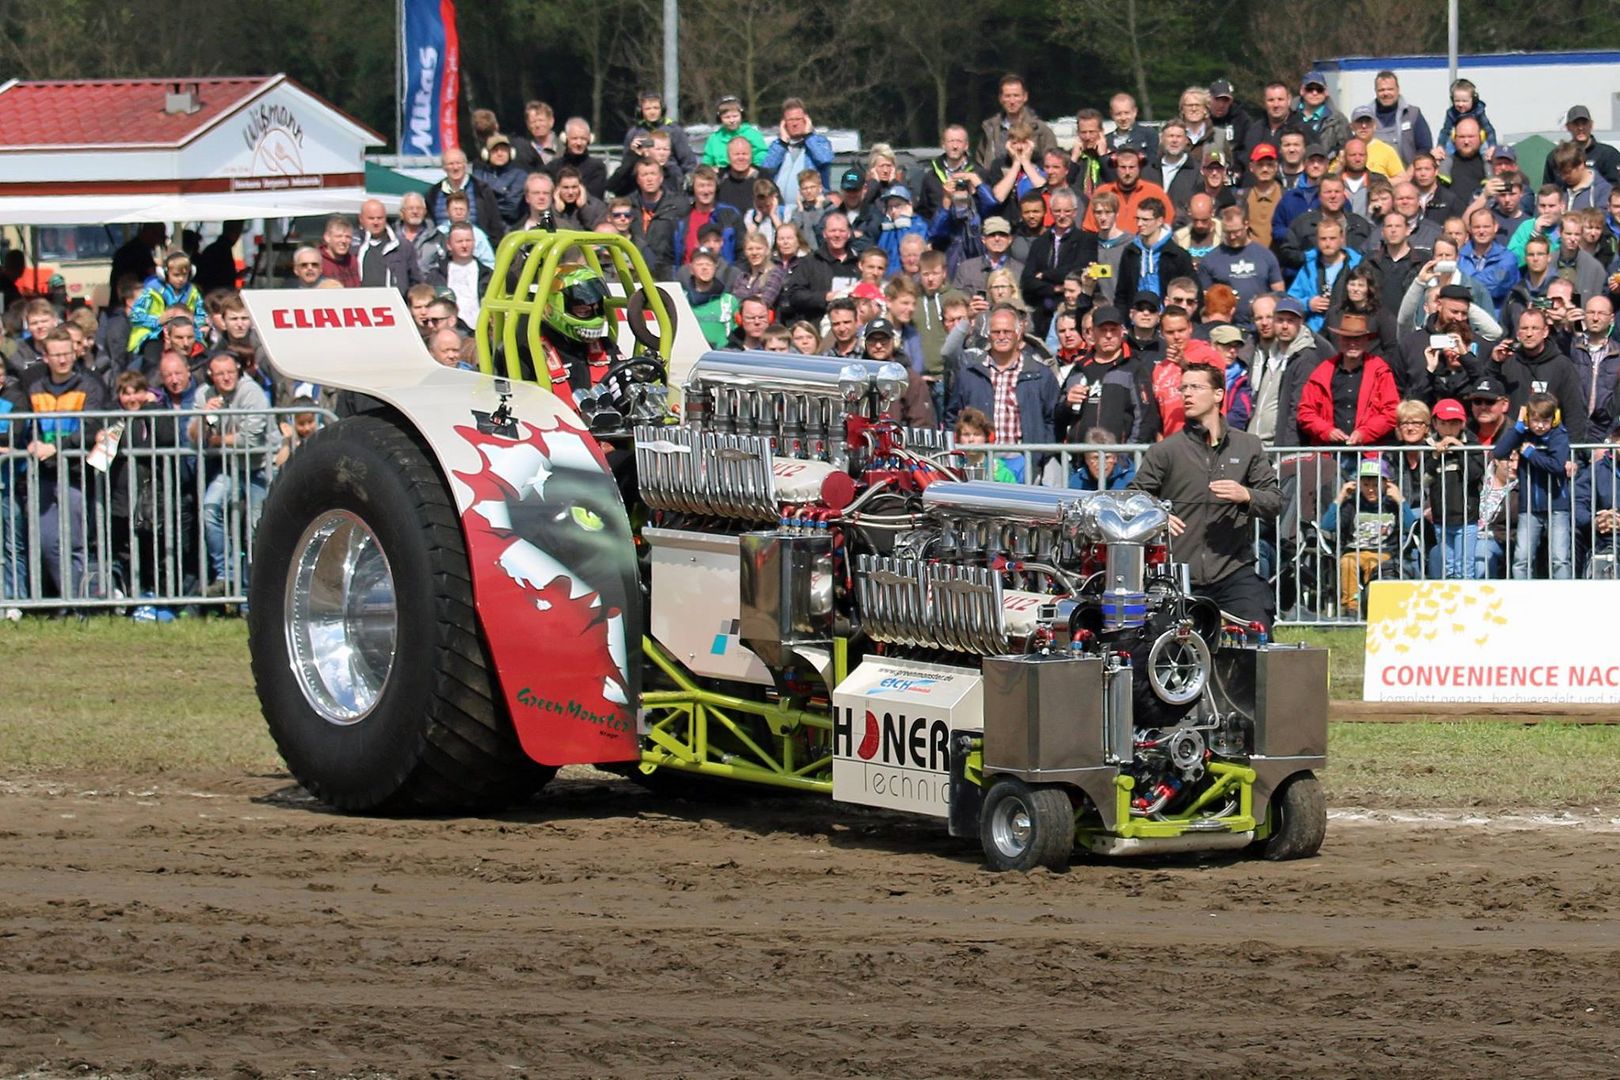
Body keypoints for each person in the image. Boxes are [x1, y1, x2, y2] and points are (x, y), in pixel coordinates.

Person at [1130, 361, 1282, 628]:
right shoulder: (1165, 451)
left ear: (1218, 395)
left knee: (1258, 632)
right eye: (1183, 387)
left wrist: (1246, 495)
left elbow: (1274, 501)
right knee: (1156, 646)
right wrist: (1157, 515)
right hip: (1177, 576)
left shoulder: (1248, 446)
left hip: (1233, 572)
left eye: (1196, 387)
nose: (1186, 394)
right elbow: (1133, 499)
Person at [22, 328, 110, 599]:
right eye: (56, 355)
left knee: (76, 542)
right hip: (45, 475)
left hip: (77, 474)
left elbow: (92, 426)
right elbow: (28, 425)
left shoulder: (90, 386)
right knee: (47, 542)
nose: (62, 360)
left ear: (75, 353)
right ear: (45, 357)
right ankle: (72, 597)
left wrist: (57, 447)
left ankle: (80, 602)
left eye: (67, 354)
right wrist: (32, 441)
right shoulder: (34, 388)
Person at [190, 352, 280, 596]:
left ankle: (256, 591)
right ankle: (226, 574)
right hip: (232, 467)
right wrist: (203, 417)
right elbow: (195, 440)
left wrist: (217, 439)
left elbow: (250, 439)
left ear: (238, 370)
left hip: (262, 467)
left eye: (230, 372)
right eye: (220, 374)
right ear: (211, 375)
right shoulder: (204, 394)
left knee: (256, 528)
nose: (226, 377)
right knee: (209, 510)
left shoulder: (251, 392)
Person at [943, 304, 1058, 443]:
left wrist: (1040, 456)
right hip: (980, 459)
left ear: (1018, 333)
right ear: (989, 335)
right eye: (996, 332)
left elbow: (1052, 419)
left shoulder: (1040, 374)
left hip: (1024, 459)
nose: (1002, 337)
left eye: (1007, 331)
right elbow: (952, 418)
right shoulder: (969, 374)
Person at [1320, 458, 1418, 616]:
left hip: (1384, 552)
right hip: (1355, 551)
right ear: (1358, 485)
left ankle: (1373, 605)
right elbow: (1327, 525)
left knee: (1376, 565)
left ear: (1386, 485)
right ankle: (1351, 607)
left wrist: (1401, 500)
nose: (1371, 490)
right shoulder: (1352, 505)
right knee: (1347, 562)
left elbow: (1411, 526)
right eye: (1366, 485)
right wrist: (1341, 498)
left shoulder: (1392, 505)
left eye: (1376, 485)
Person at [1493, 391, 1573, 579]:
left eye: (1545, 421)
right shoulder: (1525, 433)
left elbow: (1555, 465)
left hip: (1557, 506)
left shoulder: (1559, 434)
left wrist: (1531, 454)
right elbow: (1499, 451)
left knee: (1560, 558)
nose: (1539, 426)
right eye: (1535, 420)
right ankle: (1522, 597)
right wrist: (1519, 427)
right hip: (1529, 507)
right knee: (1522, 558)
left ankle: (1565, 597)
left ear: (1554, 419)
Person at [1296, 312, 1398, 448]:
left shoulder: (1380, 371)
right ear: (1339, 340)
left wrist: (1365, 433)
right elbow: (1306, 412)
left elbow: (1391, 411)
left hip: (1368, 453)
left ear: (1366, 341)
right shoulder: (1322, 372)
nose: (1352, 344)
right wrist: (1327, 431)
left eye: (1357, 339)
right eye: (1347, 339)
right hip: (1329, 453)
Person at [1425, 398, 1485, 580]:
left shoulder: (1472, 445)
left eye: (1453, 423)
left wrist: (1460, 450)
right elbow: (1424, 480)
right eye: (1443, 423)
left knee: (1464, 570)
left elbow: (1475, 475)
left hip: (1466, 520)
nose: (1448, 429)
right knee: (1448, 568)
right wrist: (1435, 456)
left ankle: (1467, 605)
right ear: (1434, 423)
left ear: (1462, 424)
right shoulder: (1428, 447)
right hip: (1441, 519)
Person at [128, 252, 206, 357]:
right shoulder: (152, 291)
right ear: (164, 273)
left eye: (185, 275)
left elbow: (201, 314)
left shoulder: (192, 292)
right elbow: (134, 316)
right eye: (176, 275)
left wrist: (198, 324)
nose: (181, 279)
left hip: (185, 336)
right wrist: (157, 321)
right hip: (153, 336)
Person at [978, 74, 1059, 171]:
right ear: (1000, 98)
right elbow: (981, 162)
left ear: (1025, 97)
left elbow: (1052, 162)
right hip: (996, 182)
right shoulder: (990, 128)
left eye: (1016, 96)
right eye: (1007, 96)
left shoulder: (1040, 129)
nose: (1012, 101)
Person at [621, 90, 696, 177]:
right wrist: (632, 153)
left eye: (656, 108)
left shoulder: (675, 130)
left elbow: (688, 162)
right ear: (640, 111)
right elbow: (625, 167)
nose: (652, 112)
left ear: (662, 109)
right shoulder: (634, 132)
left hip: (670, 177)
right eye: (648, 109)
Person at [356, 199, 422, 295]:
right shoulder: (353, 245)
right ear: (361, 219)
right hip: (362, 303)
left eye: (380, 218)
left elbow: (415, 280)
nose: (376, 222)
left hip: (394, 303)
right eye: (371, 218)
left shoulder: (402, 246)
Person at [512, 100, 562, 173]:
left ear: (551, 121)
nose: (537, 125)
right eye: (533, 122)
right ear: (528, 125)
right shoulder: (524, 151)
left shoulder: (563, 147)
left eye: (541, 120)